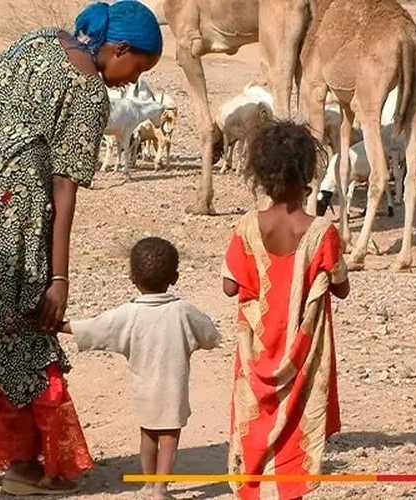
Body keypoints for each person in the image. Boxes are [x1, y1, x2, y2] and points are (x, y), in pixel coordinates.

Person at [0, 0, 164, 496]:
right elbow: (65, 187)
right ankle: (23, 463)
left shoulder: (37, 42)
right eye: (136, 68)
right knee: (21, 323)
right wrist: (57, 278)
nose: (129, 81)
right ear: (120, 48)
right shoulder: (88, 91)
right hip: (10, 206)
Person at [221, 120, 350, 500]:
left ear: (258, 174)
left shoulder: (247, 227)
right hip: (301, 352)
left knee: (254, 419)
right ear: (308, 174)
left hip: (256, 352)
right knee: (295, 424)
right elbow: (340, 287)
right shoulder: (321, 231)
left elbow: (230, 286)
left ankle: (253, 489)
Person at [58, 237, 221, 500]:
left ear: (131, 277)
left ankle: (147, 484)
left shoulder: (128, 314)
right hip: (173, 390)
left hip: (143, 390)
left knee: (148, 433)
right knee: (169, 436)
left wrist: (58, 325)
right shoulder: (183, 312)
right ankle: (161, 489)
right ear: (175, 277)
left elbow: (95, 328)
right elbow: (210, 335)